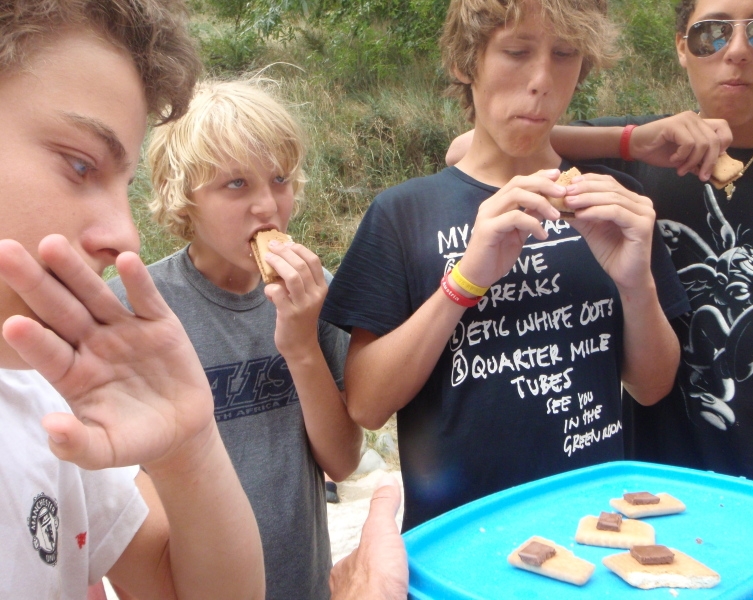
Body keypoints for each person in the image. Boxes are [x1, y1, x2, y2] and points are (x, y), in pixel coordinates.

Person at [321, 0, 687, 531]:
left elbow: (652, 386)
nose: (541, 79)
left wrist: (635, 284)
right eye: (516, 52)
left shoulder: (615, 204)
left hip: (593, 528)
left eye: (564, 55)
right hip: (458, 541)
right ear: (464, 63)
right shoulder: (404, 214)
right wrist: (465, 281)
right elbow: (367, 406)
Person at [449, 0, 753, 487]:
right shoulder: (642, 158)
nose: (737, 50)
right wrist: (632, 141)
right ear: (682, 47)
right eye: (712, 34)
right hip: (656, 475)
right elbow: (468, 148)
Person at [0, 1, 266, 598]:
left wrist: (189, 448)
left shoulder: (45, 403)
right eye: (79, 164)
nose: (124, 236)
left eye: (124, 186)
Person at [107, 79, 362, 600]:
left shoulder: (317, 294)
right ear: (184, 199)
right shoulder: (133, 307)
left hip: (303, 584)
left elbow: (343, 460)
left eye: (280, 179)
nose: (267, 206)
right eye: (236, 185)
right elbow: (112, 494)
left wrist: (300, 344)